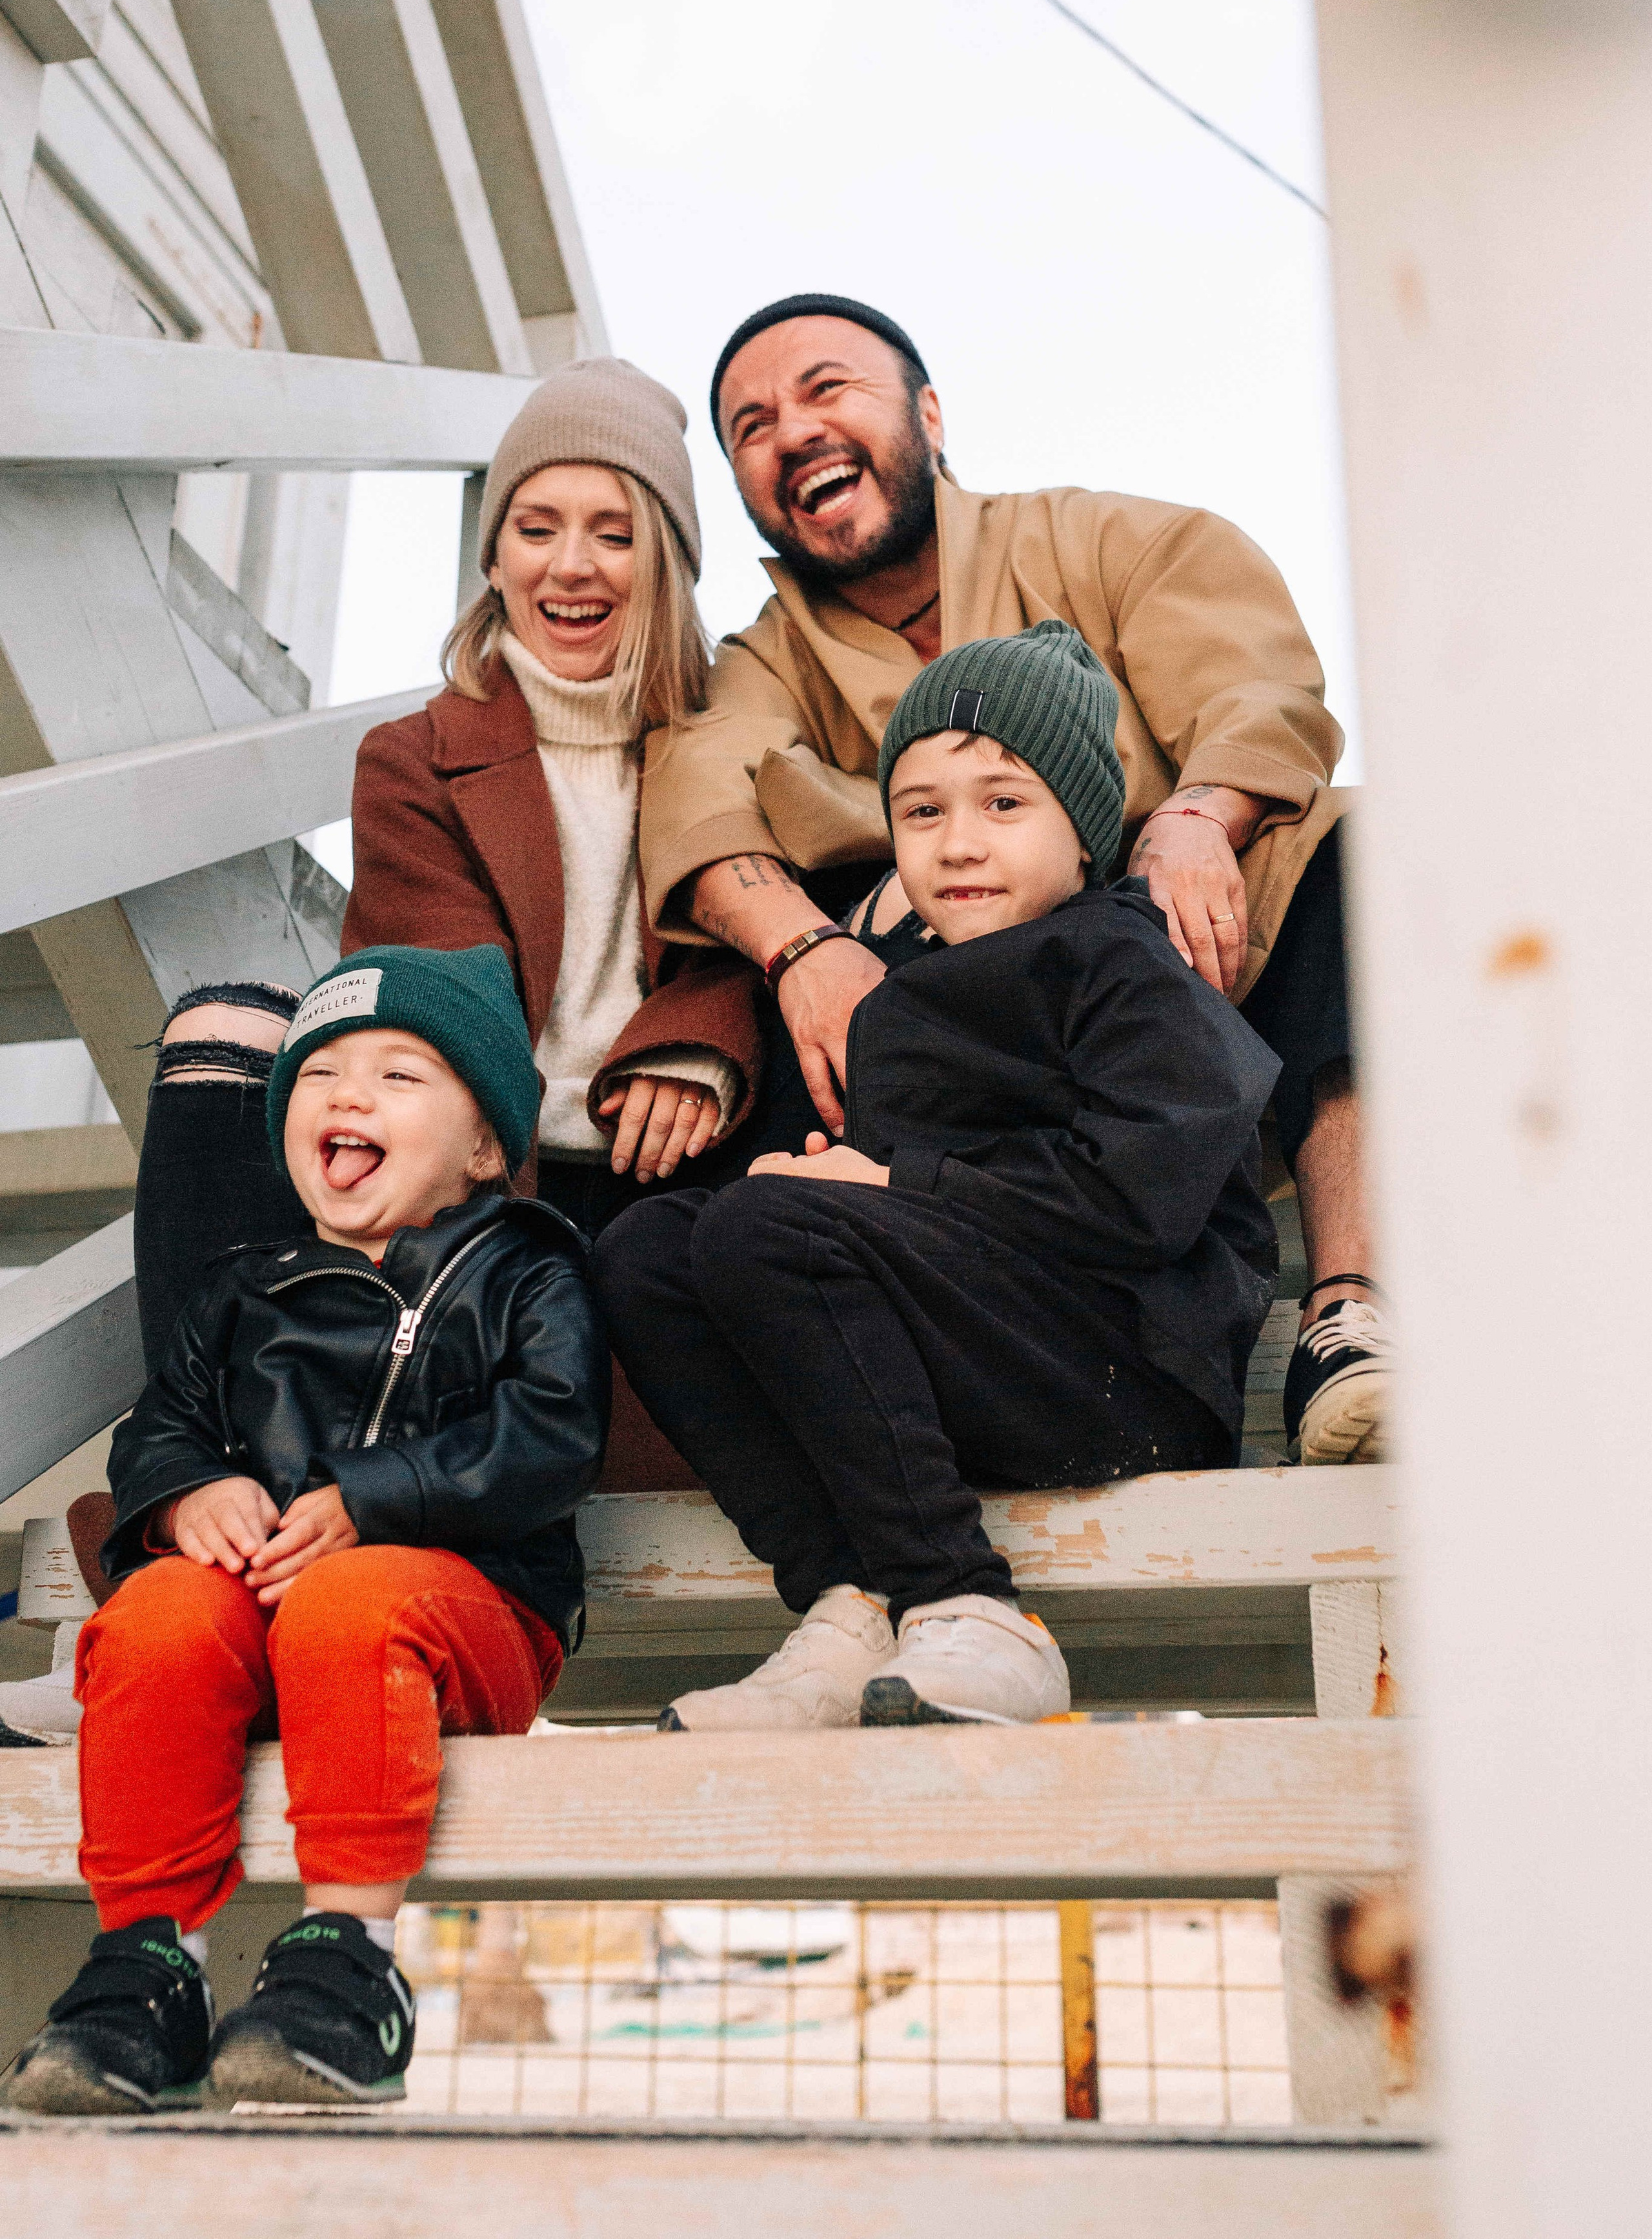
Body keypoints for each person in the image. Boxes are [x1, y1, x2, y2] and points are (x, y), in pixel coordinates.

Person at [638, 296, 1383, 1466]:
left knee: (1348, 849)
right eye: (751, 425)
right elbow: (694, 794)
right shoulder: (763, 662)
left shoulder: (1111, 541)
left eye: (827, 389)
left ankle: (1348, 1309)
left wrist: (1196, 814)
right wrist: (803, 948)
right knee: (796, 952)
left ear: (928, 414)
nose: (792, 431)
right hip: (967, 1034)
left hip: (1179, 953)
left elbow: (1257, 688)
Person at [597, 623, 1280, 1731]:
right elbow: (905, 1211)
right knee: (651, 1250)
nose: (959, 842)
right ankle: (846, 1603)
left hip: (1128, 1365)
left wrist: (889, 1191)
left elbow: (1144, 1193)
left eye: (1004, 804)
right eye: (921, 811)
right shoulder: (908, 997)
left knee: (775, 1227)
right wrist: (854, 1191)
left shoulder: (1123, 960)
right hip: (981, 1358)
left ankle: (963, 1599)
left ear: (1084, 828)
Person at [1, 946, 607, 2116]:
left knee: (350, 1597)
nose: (348, 1095)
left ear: (484, 1149)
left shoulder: (528, 1274)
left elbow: (550, 1434)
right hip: (259, 1619)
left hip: (463, 1617)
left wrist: (375, 1498)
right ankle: (143, 1967)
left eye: (398, 1076)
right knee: (159, 1610)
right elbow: (162, 1428)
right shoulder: (243, 1286)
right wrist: (185, 1498)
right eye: (320, 1074)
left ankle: (348, 1967)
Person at [134, 357, 761, 1391]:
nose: (572, 566)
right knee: (228, 1036)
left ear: (666, 563)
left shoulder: (728, 737)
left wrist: (704, 1040)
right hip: (490, 1174)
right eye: (537, 527)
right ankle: (204, 1445)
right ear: (497, 556)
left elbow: (767, 922)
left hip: (669, 1172)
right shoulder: (413, 758)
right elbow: (442, 1008)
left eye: (615, 533)